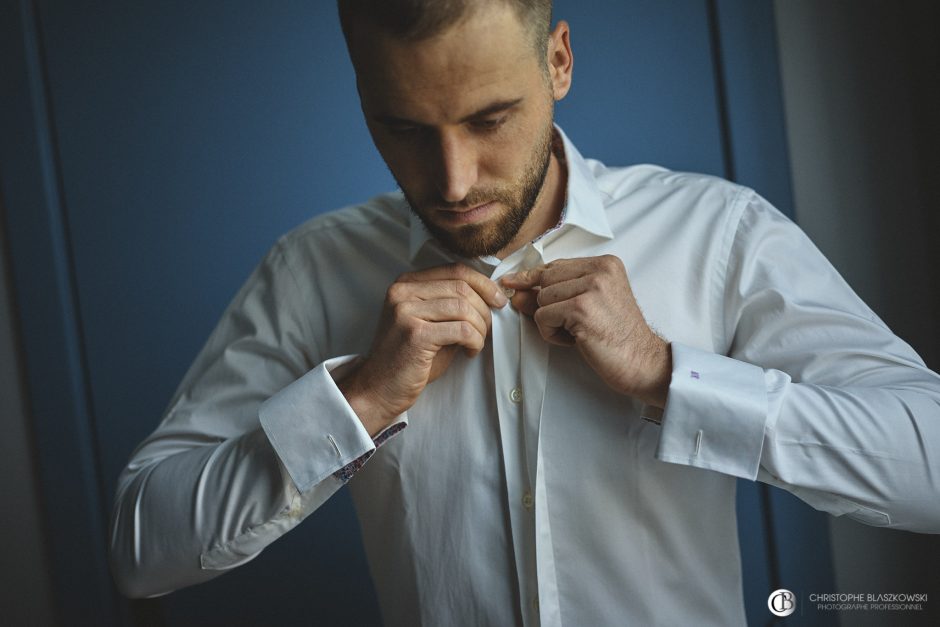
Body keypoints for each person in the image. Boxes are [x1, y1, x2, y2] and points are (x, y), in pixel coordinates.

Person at [109, 0, 940, 625]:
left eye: (489, 119)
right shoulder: (310, 273)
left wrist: (666, 375)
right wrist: (353, 402)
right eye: (401, 127)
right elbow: (140, 551)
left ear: (559, 60)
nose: (454, 180)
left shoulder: (720, 233)